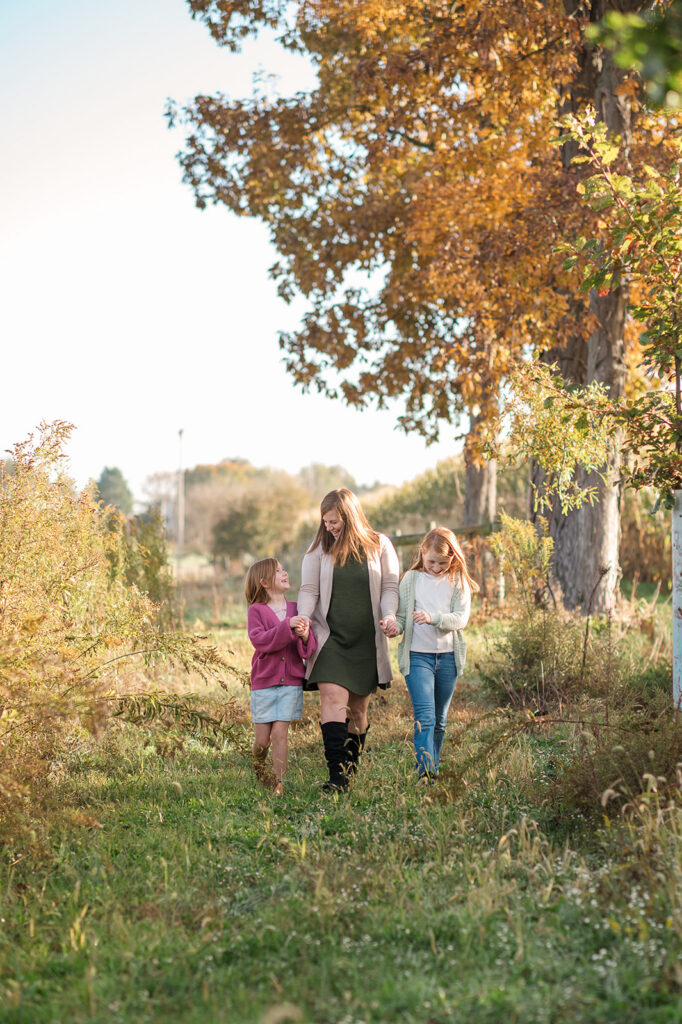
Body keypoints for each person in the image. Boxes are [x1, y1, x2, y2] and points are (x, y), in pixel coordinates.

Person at [298, 488, 400, 791]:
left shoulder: (379, 545)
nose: (328, 528)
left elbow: (390, 586)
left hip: (366, 642)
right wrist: (304, 618)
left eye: (334, 522)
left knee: (358, 712)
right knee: (332, 699)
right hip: (330, 638)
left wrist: (390, 616)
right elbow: (308, 589)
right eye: (325, 522)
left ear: (351, 516)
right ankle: (336, 776)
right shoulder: (319, 549)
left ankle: (350, 768)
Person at [386, 526, 478, 780]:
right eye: (431, 562)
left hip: (448, 658)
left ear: (453, 559)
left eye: (442, 563)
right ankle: (425, 773)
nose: (436, 568)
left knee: (440, 721)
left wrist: (433, 617)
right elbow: (404, 618)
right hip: (418, 657)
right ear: (422, 553)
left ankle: (433, 768)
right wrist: (394, 626)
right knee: (425, 717)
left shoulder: (457, 581)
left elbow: (460, 619)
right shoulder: (411, 579)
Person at [245, 557, 317, 796]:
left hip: (291, 682)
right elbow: (260, 641)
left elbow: (309, 646)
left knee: (279, 734)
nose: (285, 573)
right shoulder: (256, 611)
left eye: (284, 569)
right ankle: (258, 766)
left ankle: (278, 783)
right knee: (262, 741)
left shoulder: (298, 609)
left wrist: (306, 636)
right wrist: (287, 627)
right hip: (264, 683)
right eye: (278, 572)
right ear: (264, 582)